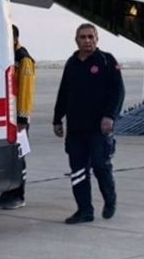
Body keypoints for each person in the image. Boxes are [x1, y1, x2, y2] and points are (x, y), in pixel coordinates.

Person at [53, 23, 124, 224]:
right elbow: (63, 93)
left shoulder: (106, 61)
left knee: (101, 166)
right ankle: (85, 210)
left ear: (97, 39)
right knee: (78, 171)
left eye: (90, 37)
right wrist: (57, 119)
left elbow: (118, 91)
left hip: (98, 129)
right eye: (83, 37)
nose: (87, 41)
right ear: (76, 40)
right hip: (76, 129)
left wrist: (110, 116)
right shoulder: (71, 63)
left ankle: (110, 200)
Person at [0, 24, 35, 209]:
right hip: (7, 116)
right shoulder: (8, 57)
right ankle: (7, 192)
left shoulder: (23, 59)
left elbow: (26, 91)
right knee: (8, 157)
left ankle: (18, 195)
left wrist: (23, 120)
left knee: (18, 157)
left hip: (18, 118)